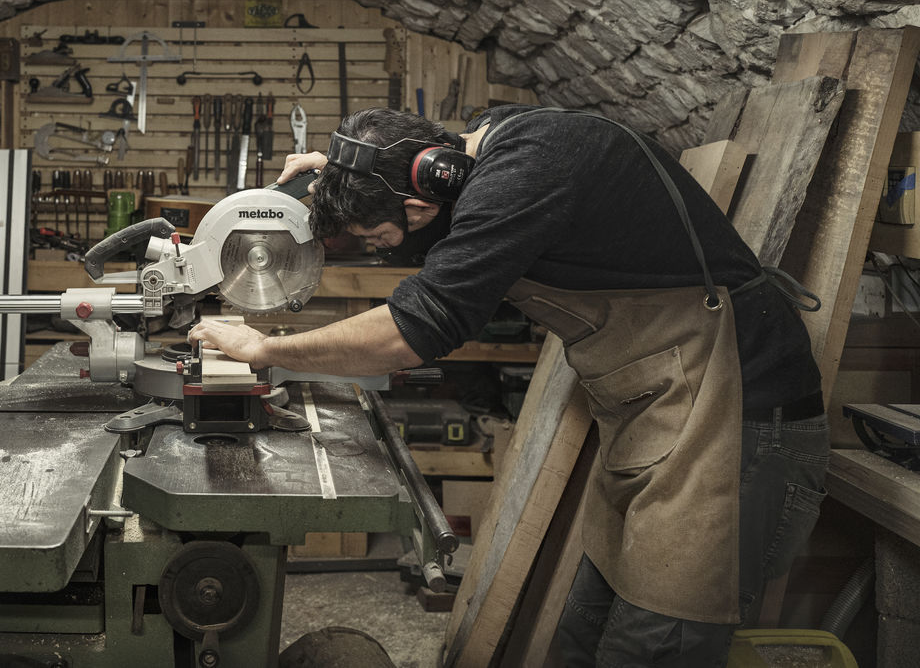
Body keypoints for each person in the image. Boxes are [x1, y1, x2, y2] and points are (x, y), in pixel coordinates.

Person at [187, 105, 830, 668]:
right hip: (660, 408)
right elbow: (401, 163)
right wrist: (338, 174)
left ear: (422, 204)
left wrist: (266, 349)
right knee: (582, 634)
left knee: (656, 649)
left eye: (383, 239)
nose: (384, 252)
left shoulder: (524, 174)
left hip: (738, 412)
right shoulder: (488, 142)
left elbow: (414, 329)